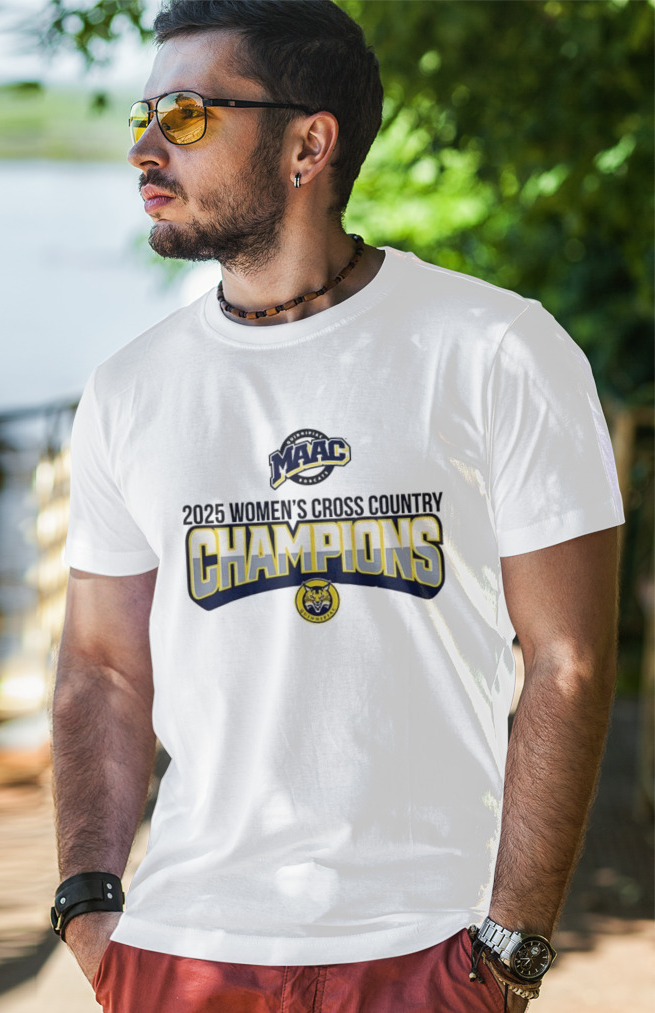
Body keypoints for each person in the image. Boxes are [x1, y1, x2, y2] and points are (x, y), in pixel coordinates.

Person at [50, 2, 624, 1011]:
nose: (144, 147)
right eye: (143, 116)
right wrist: (89, 906)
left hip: (424, 945)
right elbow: (101, 661)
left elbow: (568, 659)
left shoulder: (495, 349)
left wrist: (512, 947)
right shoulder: (131, 388)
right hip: (184, 950)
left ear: (308, 145)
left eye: (185, 116)